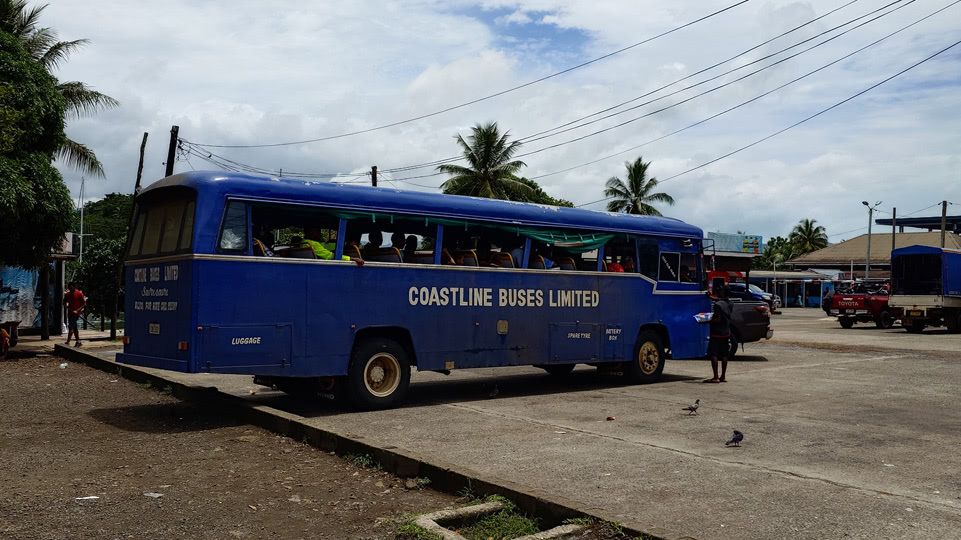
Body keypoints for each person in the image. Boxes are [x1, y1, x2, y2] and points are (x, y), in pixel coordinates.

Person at [706, 285, 733, 383]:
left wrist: (708, 320)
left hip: (716, 333)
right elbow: (722, 301)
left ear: (723, 292)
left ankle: (715, 377)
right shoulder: (730, 303)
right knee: (724, 355)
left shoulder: (717, 305)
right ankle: (723, 376)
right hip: (726, 332)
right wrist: (711, 297)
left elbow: (717, 319)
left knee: (714, 354)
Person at [63, 282, 86, 347]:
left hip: (76, 313)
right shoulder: (67, 294)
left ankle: (68, 341)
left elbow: (84, 304)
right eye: (69, 287)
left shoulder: (79, 294)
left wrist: (77, 310)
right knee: (75, 327)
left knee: (71, 327)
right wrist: (66, 306)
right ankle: (78, 341)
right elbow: (64, 302)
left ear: (74, 287)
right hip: (70, 313)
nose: (70, 289)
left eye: (71, 287)